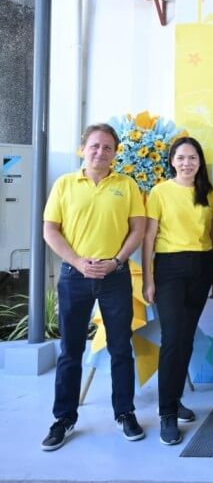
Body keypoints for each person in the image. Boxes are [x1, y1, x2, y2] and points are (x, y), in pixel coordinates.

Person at [41, 123, 146, 451]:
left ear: (115, 153)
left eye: (107, 148)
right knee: (71, 350)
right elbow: (50, 230)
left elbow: (137, 229)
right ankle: (64, 418)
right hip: (75, 276)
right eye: (95, 146)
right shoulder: (64, 184)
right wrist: (77, 261)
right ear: (82, 148)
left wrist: (116, 260)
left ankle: (125, 412)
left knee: (120, 347)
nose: (101, 152)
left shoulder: (126, 185)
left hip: (115, 276)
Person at [142, 137, 213, 446]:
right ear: (172, 161)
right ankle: (166, 414)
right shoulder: (160, 192)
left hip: (201, 268)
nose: (187, 162)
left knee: (186, 337)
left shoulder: (210, 193)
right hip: (169, 270)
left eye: (192, 157)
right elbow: (149, 238)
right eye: (181, 157)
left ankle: (175, 400)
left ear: (200, 162)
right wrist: (149, 279)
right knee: (173, 339)